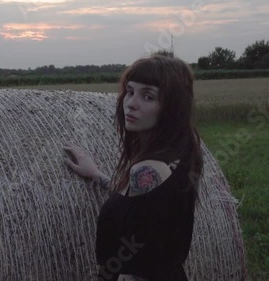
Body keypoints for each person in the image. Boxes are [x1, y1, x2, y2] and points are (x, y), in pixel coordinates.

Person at [63, 54, 204, 281]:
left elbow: (133, 268)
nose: (131, 103)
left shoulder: (149, 168)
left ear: (171, 107)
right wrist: (96, 174)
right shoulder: (182, 152)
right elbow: (139, 205)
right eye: (130, 92)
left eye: (148, 96)